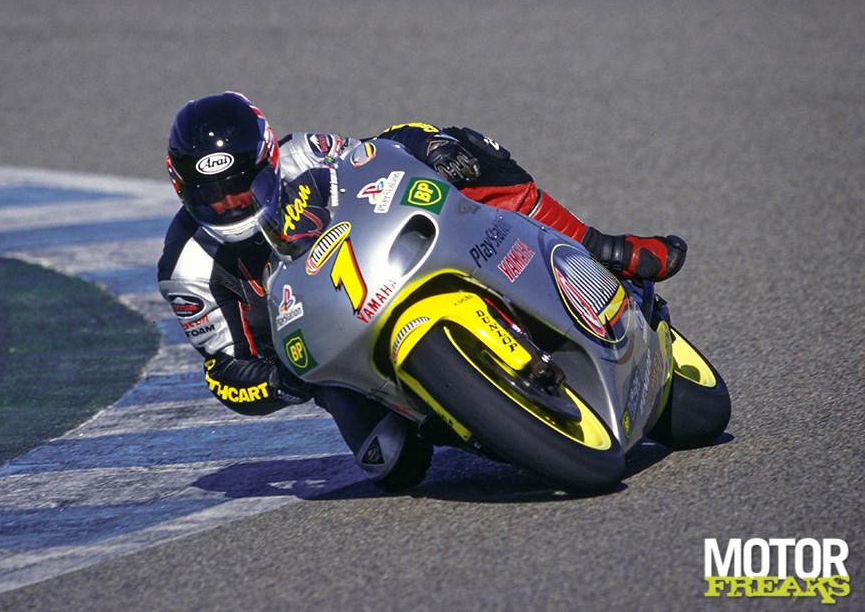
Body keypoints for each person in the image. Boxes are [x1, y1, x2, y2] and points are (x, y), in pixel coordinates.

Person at [157, 91, 687, 491]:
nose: (231, 204)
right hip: (333, 362)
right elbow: (224, 371)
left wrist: (431, 152)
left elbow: (377, 156)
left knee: (455, 147)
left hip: (390, 265)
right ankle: (465, 413)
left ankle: (599, 248)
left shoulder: (306, 154)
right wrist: (281, 381)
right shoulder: (186, 269)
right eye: (212, 197)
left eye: (242, 186)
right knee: (393, 467)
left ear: (268, 159)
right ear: (184, 192)